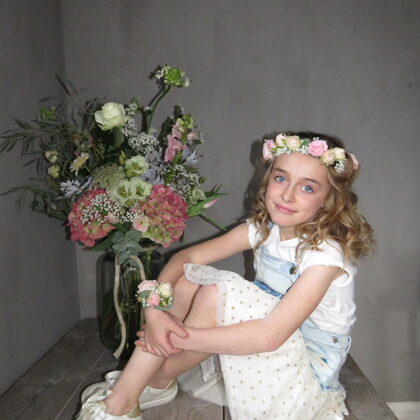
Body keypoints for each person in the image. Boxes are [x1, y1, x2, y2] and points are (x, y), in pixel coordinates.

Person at [77, 132, 374, 420]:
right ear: (268, 179)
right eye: (281, 178)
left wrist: (177, 336)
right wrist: (154, 314)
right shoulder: (263, 230)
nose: (287, 194)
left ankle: (146, 385)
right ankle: (126, 397)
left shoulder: (325, 256)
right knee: (189, 278)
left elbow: (270, 336)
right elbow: (185, 259)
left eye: (307, 188)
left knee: (215, 291)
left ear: (328, 199)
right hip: (272, 339)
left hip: (306, 367)